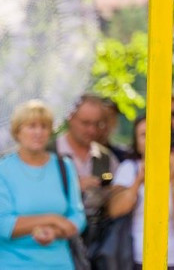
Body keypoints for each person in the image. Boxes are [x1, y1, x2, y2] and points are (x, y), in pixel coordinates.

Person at [0, 100, 85, 270]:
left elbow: (77, 216)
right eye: (31, 126)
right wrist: (53, 219)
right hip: (11, 263)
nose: (38, 132)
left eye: (44, 126)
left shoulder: (64, 166)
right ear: (18, 131)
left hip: (58, 263)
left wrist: (55, 233)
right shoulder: (1, 170)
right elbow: (3, 225)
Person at [107, 114, 174, 270]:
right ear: (136, 142)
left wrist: (173, 179)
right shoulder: (128, 169)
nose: (151, 140)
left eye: (156, 134)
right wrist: (138, 181)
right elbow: (115, 210)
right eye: (144, 135)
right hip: (135, 258)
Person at [54, 94, 118, 248]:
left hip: (96, 240)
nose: (92, 130)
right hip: (57, 236)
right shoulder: (49, 153)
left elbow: (117, 194)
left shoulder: (106, 157)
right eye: (85, 123)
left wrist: (109, 192)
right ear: (69, 117)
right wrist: (74, 186)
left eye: (98, 124)